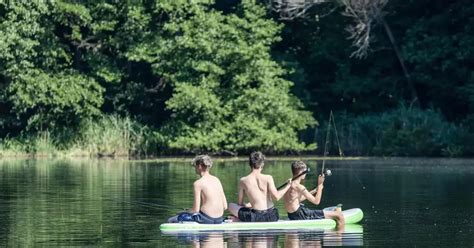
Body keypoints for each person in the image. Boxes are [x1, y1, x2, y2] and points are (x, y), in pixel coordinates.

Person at [228, 151, 292, 222]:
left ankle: (238, 219)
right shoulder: (268, 178)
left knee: (231, 205)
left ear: (250, 164)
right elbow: (276, 197)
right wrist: (288, 185)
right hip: (272, 215)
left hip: (256, 217)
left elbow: (240, 204)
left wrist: (248, 205)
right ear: (262, 164)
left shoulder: (243, 180)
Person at [168, 155, 227, 224]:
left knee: (171, 220)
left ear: (199, 166)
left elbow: (196, 210)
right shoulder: (217, 180)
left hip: (206, 219)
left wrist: (185, 212)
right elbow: (225, 206)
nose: (194, 168)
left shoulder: (198, 183)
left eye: (195, 166)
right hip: (219, 219)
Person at [283, 160, 345, 227]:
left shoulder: (288, 183)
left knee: (330, 211)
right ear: (301, 172)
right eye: (306, 171)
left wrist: (315, 190)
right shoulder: (299, 187)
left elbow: (297, 200)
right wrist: (320, 185)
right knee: (339, 215)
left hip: (292, 215)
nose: (306, 174)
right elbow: (316, 201)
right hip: (301, 215)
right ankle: (339, 234)